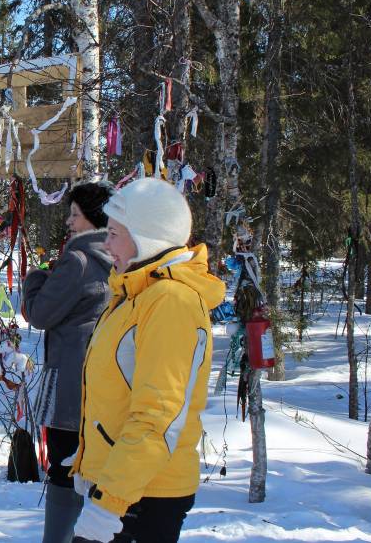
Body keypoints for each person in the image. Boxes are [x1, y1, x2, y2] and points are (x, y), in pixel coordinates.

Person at [70, 178, 224, 543]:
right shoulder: (136, 292)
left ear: (147, 237)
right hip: (123, 481)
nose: (106, 246)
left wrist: (111, 501)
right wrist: (91, 451)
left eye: (114, 234)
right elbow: (120, 390)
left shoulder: (170, 302)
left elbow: (158, 415)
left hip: (144, 493)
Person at [22, 181, 114, 543]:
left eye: (75, 215)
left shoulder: (77, 260)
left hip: (70, 389)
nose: (69, 222)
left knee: (63, 468)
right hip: (103, 387)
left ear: (94, 219)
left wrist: (36, 277)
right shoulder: (118, 260)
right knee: (92, 470)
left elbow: (40, 312)